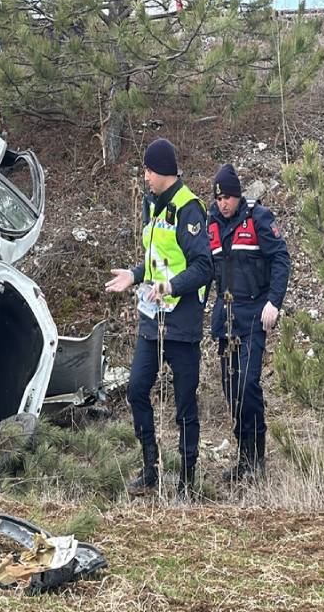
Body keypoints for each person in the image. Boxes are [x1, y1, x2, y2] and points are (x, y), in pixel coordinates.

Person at [104, 138, 213, 496]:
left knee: (184, 403)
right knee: (136, 389)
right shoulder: (152, 205)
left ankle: (187, 481)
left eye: (149, 170)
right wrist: (135, 276)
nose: (145, 176)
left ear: (163, 171)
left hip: (182, 322)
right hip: (152, 319)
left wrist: (171, 286)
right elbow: (156, 260)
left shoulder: (189, 208)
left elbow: (203, 267)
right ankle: (150, 468)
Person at [206, 163, 290, 482]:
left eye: (227, 198)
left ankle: (256, 461)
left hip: (254, 313)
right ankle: (244, 458)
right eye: (218, 199)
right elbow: (204, 267)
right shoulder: (212, 223)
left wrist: (274, 302)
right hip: (225, 318)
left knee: (247, 384)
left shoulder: (257, 218)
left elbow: (281, 259)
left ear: (238, 196)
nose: (222, 204)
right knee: (232, 390)